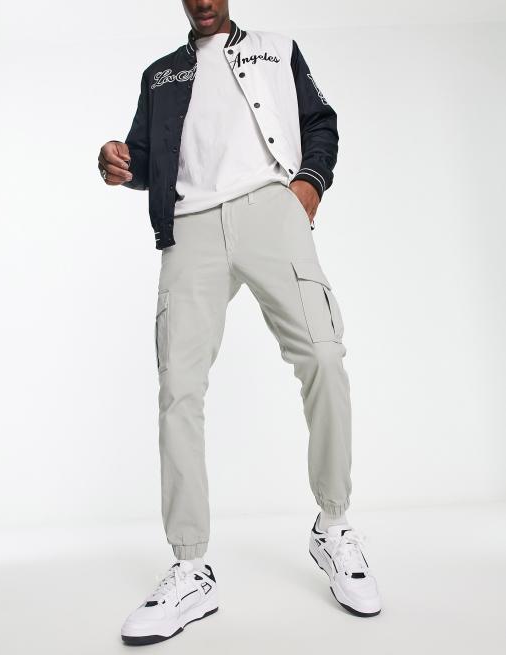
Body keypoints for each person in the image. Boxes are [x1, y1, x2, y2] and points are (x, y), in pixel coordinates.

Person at [98, 0, 382, 645]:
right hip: (190, 226)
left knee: (323, 355)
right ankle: (190, 569)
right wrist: (118, 162)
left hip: (269, 209)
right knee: (179, 389)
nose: (202, 1)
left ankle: (333, 526)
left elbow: (320, 121)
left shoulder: (277, 48)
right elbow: (144, 158)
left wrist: (308, 185)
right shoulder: (161, 74)